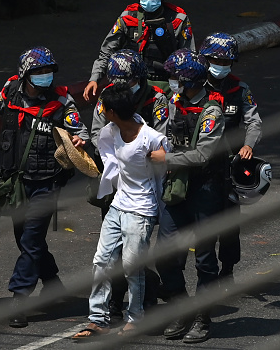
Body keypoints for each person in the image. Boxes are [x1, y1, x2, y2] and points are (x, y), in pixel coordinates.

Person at [0, 46, 89, 328]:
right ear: (25, 74)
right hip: (15, 182)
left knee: (31, 239)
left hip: (46, 183)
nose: (45, 76)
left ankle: (20, 298)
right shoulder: (10, 92)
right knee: (25, 239)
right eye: (38, 72)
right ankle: (53, 284)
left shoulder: (61, 101)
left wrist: (79, 140)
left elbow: (80, 131)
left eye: (48, 71)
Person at [72, 84, 170, 340]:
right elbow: (106, 158)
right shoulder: (110, 131)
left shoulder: (150, 138)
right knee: (101, 261)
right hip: (118, 205)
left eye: (104, 107)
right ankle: (98, 319)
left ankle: (136, 319)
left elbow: (166, 164)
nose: (101, 110)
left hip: (141, 210)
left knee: (131, 267)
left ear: (113, 111)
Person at [149, 49, 227, 343]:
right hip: (175, 187)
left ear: (189, 81)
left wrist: (166, 160)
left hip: (205, 189)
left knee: (205, 259)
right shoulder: (169, 103)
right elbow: (158, 134)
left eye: (174, 78)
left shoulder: (211, 111)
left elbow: (204, 154)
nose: (170, 83)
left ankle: (202, 318)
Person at [88, 49, 168, 322]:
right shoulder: (107, 99)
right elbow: (99, 133)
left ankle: (143, 303)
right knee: (107, 256)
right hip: (116, 190)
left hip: (145, 194)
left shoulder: (157, 100)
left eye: (127, 82)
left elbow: (162, 144)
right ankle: (109, 307)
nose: (121, 88)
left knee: (133, 257)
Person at [199, 32, 262, 280]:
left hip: (229, 167)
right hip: (200, 165)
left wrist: (248, 145)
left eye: (226, 62)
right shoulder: (195, 87)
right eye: (216, 60)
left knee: (228, 225)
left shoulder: (240, 89)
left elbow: (254, 122)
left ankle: (227, 270)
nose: (220, 66)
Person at [83, 0, 194, 101]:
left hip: (167, 85)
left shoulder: (178, 19)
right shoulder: (128, 17)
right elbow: (107, 51)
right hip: (131, 83)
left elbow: (189, 57)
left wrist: (182, 87)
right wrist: (95, 78)